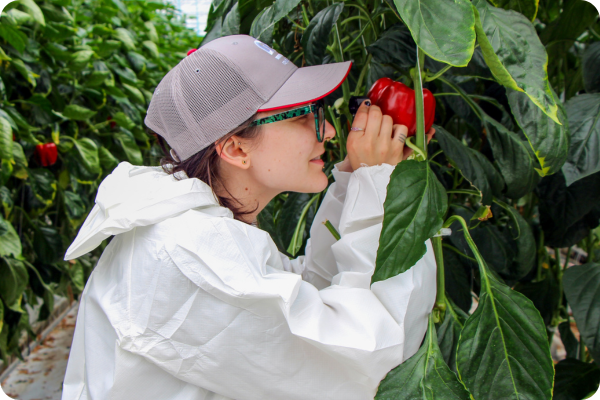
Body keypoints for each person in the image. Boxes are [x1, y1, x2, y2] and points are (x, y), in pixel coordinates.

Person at [61, 34, 436, 400]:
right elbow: (365, 363)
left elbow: (310, 291)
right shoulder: (190, 254)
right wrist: (381, 186)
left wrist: (356, 178)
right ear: (236, 149)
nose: (328, 130)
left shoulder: (194, 229)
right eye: (302, 116)